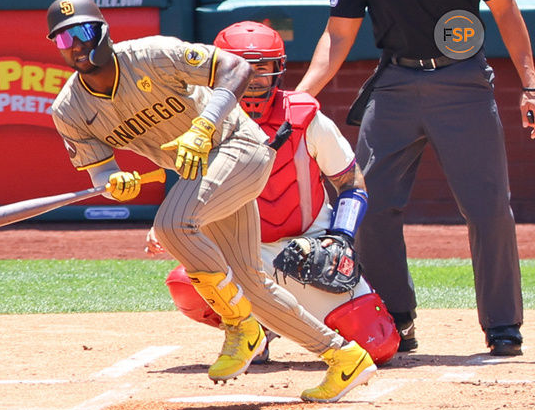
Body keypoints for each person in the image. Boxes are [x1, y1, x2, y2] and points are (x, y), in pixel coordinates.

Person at [47, 0, 376, 402]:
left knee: (172, 225)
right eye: (63, 40)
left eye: (82, 32)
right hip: (202, 175)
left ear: (104, 30)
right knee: (254, 284)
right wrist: (116, 182)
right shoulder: (69, 109)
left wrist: (204, 126)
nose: (75, 45)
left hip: (239, 146)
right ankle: (343, 357)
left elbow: (235, 67)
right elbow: (103, 172)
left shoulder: (152, 54)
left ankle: (241, 325)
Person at [294, 0, 535, 356]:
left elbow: (504, 8)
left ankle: (502, 323)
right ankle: (394, 318)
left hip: (463, 78)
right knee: (367, 201)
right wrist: (299, 98)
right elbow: (338, 33)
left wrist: (530, 85)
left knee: (488, 206)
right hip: (395, 79)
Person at [147, 21, 400, 366]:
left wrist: (340, 237)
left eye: (261, 67)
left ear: (278, 69)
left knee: (379, 345)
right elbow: (193, 182)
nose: (251, 77)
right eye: (238, 64)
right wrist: (163, 225)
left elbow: (351, 182)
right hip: (242, 249)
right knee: (186, 281)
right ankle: (251, 328)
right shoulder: (201, 121)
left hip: (309, 250)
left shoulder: (304, 116)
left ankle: (286, 317)